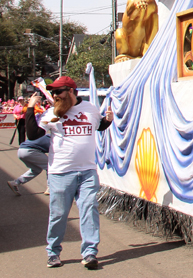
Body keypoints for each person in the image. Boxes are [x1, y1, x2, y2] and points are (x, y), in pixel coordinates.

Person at [25, 76, 114, 269]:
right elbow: (33, 135)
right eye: (53, 92)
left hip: (87, 171)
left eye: (59, 91)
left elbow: (99, 126)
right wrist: (31, 108)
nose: (55, 95)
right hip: (60, 173)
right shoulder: (53, 113)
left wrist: (108, 120)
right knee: (59, 214)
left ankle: (90, 253)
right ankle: (53, 252)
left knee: (89, 210)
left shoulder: (90, 108)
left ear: (71, 91)